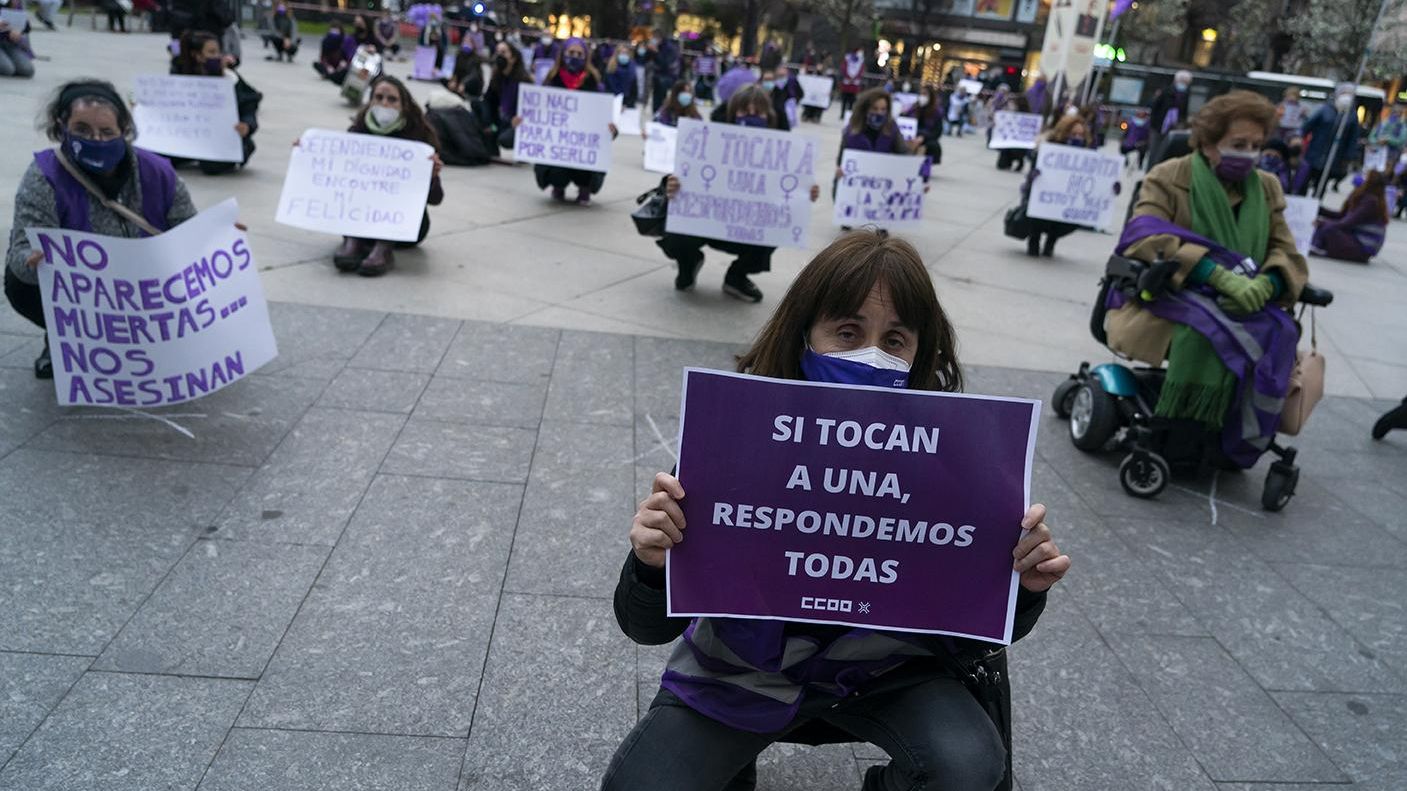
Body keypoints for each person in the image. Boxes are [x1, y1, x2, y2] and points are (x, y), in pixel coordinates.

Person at [601, 231, 1068, 791]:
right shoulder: (732, 441)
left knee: (967, 768)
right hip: (740, 672)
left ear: (920, 352)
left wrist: (1022, 585)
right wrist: (652, 564)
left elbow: (973, 640)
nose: (870, 355)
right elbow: (644, 626)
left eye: (895, 340)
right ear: (804, 333)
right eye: (847, 332)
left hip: (891, 672)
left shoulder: (957, 464)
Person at [1113, 91, 1308, 468]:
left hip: (1248, 297)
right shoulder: (1169, 176)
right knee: (1210, 333)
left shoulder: (1267, 186)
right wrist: (1211, 272)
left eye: (1255, 145)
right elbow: (1142, 236)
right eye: (1237, 144)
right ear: (1207, 141)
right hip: (1172, 296)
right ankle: (1181, 434)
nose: (1248, 154)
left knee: (1279, 333)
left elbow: (1286, 250)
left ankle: (1242, 434)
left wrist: (1269, 283)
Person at [6, 79, 199, 379]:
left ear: (124, 132)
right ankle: (62, 341)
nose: (95, 139)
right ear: (61, 127)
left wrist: (217, 235)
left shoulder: (159, 172)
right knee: (20, 286)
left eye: (107, 132)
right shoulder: (44, 175)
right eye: (81, 129)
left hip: (145, 289)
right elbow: (19, 254)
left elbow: (189, 233)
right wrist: (34, 261)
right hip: (81, 296)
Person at [656, 84, 821, 302]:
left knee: (777, 228)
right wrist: (670, 186)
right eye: (744, 111)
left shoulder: (782, 154)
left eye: (758, 112)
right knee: (675, 226)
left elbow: (786, 203)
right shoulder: (709, 142)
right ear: (732, 114)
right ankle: (688, 264)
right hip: (705, 226)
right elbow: (684, 175)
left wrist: (803, 194)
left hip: (747, 233)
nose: (752, 117)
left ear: (769, 116)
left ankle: (737, 275)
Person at [332, 76, 443, 276]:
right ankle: (353, 242)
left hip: (406, 227)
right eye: (379, 97)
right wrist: (307, 153)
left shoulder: (418, 139)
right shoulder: (357, 133)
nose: (384, 104)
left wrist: (432, 177)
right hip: (359, 217)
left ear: (404, 105)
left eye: (392, 99)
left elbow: (436, 199)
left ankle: (383, 248)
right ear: (370, 100)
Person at [513, 38, 617, 205]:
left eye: (579, 54)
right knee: (556, 168)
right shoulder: (552, 79)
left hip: (582, 145)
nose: (574, 57)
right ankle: (557, 185)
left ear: (586, 57)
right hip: (559, 146)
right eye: (570, 53)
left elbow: (604, 117)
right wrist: (523, 122)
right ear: (563, 54)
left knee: (585, 162)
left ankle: (585, 187)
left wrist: (611, 128)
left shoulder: (594, 82)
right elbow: (539, 111)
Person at [166, 31, 260, 174]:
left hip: (222, 137)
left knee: (212, 167)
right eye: (212, 52)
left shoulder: (230, 78)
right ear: (197, 55)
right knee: (158, 158)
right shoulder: (181, 77)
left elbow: (249, 104)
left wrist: (247, 125)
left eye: (218, 52)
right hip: (188, 137)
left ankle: (241, 149)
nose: (217, 56)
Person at [836, 88, 925, 200]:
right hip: (856, 193)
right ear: (865, 109)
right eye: (875, 109)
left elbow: (904, 153)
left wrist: (919, 182)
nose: (879, 113)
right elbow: (841, 161)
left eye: (883, 109)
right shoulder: (851, 132)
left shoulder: (891, 128)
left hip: (882, 190)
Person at [1019, 115, 1089, 257]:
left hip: (1065, 198)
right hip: (1042, 194)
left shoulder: (1086, 155)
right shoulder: (1048, 149)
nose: (1077, 138)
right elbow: (1032, 163)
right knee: (1038, 214)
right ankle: (1034, 240)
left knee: (1064, 217)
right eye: (1074, 134)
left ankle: (1051, 242)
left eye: (1080, 135)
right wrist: (1035, 174)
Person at [1310, 169, 1387, 263]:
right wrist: (1320, 210)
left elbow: (1346, 223)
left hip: (1361, 248)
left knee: (1329, 228)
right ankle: (1319, 247)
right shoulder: (1364, 197)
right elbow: (1342, 216)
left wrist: (1322, 223)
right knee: (1326, 225)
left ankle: (1319, 248)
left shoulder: (1370, 201)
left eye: (1365, 176)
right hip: (1355, 243)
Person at [1301, 89, 1359, 197]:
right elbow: (1308, 126)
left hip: (1334, 157)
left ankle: (1316, 204)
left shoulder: (1351, 116)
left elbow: (1353, 139)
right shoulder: (1325, 109)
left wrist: (1348, 157)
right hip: (1315, 152)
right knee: (1304, 180)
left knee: (1321, 185)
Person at [485, 40, 531, 149]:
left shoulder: (524, 80)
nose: (499, 56)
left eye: (503, 52)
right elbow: (488, 101)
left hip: (516, 123)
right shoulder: (496, 77)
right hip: (500, 121)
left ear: (513, 58)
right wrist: (487, 121)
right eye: (498, 52)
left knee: (505, 139)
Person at [1147, 69, 1191, 169]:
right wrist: (1154, 124)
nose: (1184, 84)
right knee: (1154, 152)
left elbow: (1184, 112)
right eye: (1183, 82)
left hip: (1173, 127)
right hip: (1159, 127)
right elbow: (1155, 108)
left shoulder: (1185, 95)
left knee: (1165, 152)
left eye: (1186, 82)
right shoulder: (1166, 92)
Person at [908, 83, 945, 166]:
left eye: (924, 94)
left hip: (927, 139)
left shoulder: (936, 112)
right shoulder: (914, 108)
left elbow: (937, 132)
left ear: (930, 96)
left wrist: (923, 137)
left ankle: (918, 167)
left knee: (926, 146)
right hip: (913, 136)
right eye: (920, 94)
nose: (922, 96)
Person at [0, 0, 34, 78]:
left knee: (27, 70)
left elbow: (27, 27)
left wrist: (19, 31)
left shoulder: (15, 3)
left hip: (9, 43)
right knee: (7, 69)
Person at [604, 43, 639, 109]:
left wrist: (627, 104)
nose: (624, 55)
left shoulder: (632, 69)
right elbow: (607, 88)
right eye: (622, 53)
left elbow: (634, 90)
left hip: (627, 105)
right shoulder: (610, 68)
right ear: (617, 54)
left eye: (626, 53)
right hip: (611, 103)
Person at [838, 47, 863, 119]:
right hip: (847, 82)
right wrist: (848, 77)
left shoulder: (861, 61)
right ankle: (842, 114)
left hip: (854, 84)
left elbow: (861, 71)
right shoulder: (847, 59)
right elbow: (843, 68)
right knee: (844, 100)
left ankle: (849, 114)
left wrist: (854, 78)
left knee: (852, 101)